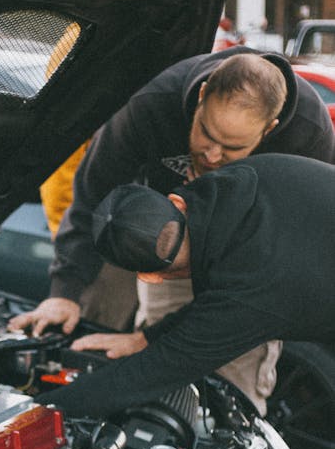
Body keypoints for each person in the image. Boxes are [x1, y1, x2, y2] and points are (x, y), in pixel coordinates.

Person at [17, 49, 335, 408]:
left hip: (268, 271)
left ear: (270, 129)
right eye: (206, 134)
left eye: (231, 148)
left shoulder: (308, 134)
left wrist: (40, 415)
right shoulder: (153, 104)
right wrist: (66, 290)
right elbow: (95, 193)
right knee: (166, 383)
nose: (212, 156)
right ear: (201, 97)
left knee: (230, 383)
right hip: (180, 235)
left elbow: (179, 354)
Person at [35, 155, 335, 421]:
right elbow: (216, 310)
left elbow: (147, 376)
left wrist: (31, 414)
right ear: (175, 202)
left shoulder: (252, 293)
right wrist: (146, 338)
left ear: (150, 277)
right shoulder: (243, 175)